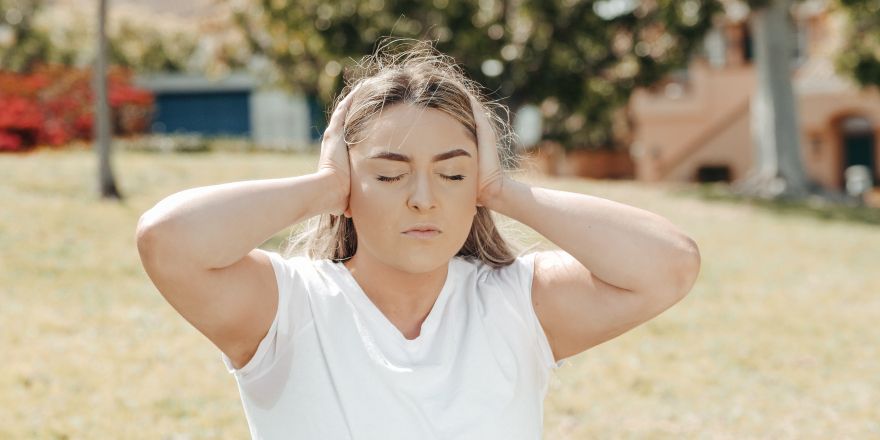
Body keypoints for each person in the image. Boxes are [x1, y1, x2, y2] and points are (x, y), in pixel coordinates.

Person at [135, 39, 701, 439]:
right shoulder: (286, 308)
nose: (423, 198)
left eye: (454, 174)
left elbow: (669, 264)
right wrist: (324, 188)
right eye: (388, 174)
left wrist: (501, 190)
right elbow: (168, 240)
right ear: (350, 182)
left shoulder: (518, 303)